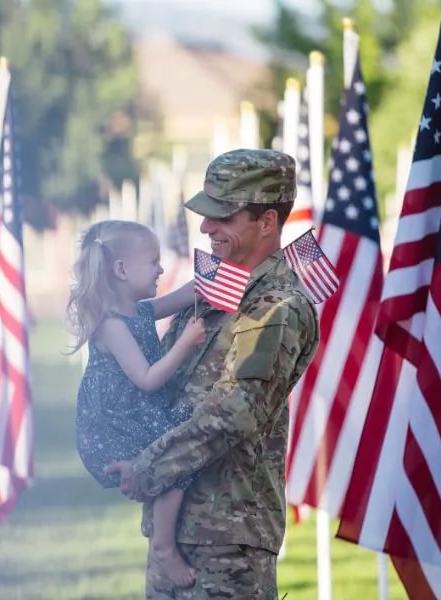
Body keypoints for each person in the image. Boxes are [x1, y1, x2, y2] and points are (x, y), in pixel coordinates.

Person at [105, 149, 321, 599]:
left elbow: (235, 413)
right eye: (207, 214)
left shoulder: (277, 307)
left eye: (223, 216)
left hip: (228, 546)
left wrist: (149, 468)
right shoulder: (216, 291)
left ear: (267, 222)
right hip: (178, 533)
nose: (206, 227)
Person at [67, 219, 208, 588]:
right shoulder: (112, 325)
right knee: (175, 454)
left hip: (137, 412)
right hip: (116, 422)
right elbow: (147, 379)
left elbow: (188, 293)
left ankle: (163, 539)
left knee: (176, 451)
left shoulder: (140, 311)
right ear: (121, 269)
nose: (161, 268)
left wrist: (224, 274)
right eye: (153, 261)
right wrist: (184, 343)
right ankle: (163, 546)